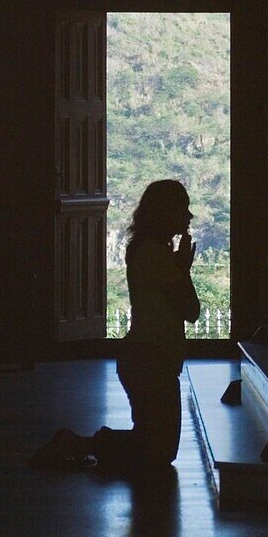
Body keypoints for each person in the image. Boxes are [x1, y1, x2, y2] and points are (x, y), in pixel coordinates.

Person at [28, 180, 200, 472]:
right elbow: (191, 310)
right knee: (158, 451)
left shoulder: (146, 250)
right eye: (182, 208)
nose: (189, 216)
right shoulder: (157, 256)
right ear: (166, 213)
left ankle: (80, 444)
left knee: (155, 446)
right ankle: (80, 444)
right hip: (151, 361)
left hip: (144, 359)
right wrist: (183, 269)